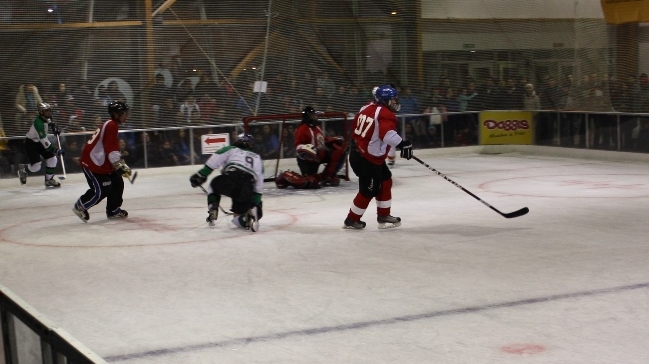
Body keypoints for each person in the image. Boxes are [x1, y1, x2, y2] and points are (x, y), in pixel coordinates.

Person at [343, 85, 412, 230]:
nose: (395, 102)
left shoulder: (366, 107)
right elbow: (386, 134)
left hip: (362, 154)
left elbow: (355, 127)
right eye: (392, 100)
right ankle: (351, 220)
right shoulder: (386, 114)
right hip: (366, 158)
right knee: (369, 189)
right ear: (385, 100)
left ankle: (383, 215)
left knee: (386, 179)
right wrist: (403, 144)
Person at [72, 101, 133, 223]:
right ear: (116, 114)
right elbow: (110, 148)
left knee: (117, 182)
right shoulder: (111, 125)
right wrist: (119, 164)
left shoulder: (111, 124)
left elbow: (110, 148)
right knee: (102, 188)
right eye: (124, 113)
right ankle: (80, 206)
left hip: (102, 163)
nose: (126, 115)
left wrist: (119, 164)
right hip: (93, 163)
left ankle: (113, 210)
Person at [189, 133, 264, 231]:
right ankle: (247, 218)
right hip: (246, 187)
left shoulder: (231, 149)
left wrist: (201, 175)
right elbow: (259, 186)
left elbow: (213, 162)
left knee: (213, 186)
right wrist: (255, 203)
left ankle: (213, 209)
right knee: (237, 217)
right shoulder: (257, 158)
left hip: (230, 180)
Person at [275, 106, 349, 189]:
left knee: (341, 149)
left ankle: (328, 176)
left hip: (320, 155)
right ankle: (286, 176)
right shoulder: (302, 129)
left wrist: (333, 139)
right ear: (307, 116)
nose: (315, 117)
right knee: (310, 181)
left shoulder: (317, 127)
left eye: (314, 115)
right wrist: (308, 150)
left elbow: (322, 140)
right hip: (308, 160)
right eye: (312, 115)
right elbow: (298, 146)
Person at [17, 102, 63, 187]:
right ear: (41, 112)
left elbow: (51, 123)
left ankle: (49, 180)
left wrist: (54, 128)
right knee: (36, 167)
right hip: (31, 143)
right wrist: (55, 149)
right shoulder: (38, 123)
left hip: (39, 142)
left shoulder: (47, 118)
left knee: (53, 159)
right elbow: (44, 140)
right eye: (46, 111)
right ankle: (23, 171)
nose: (49, 113)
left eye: (49, 111)